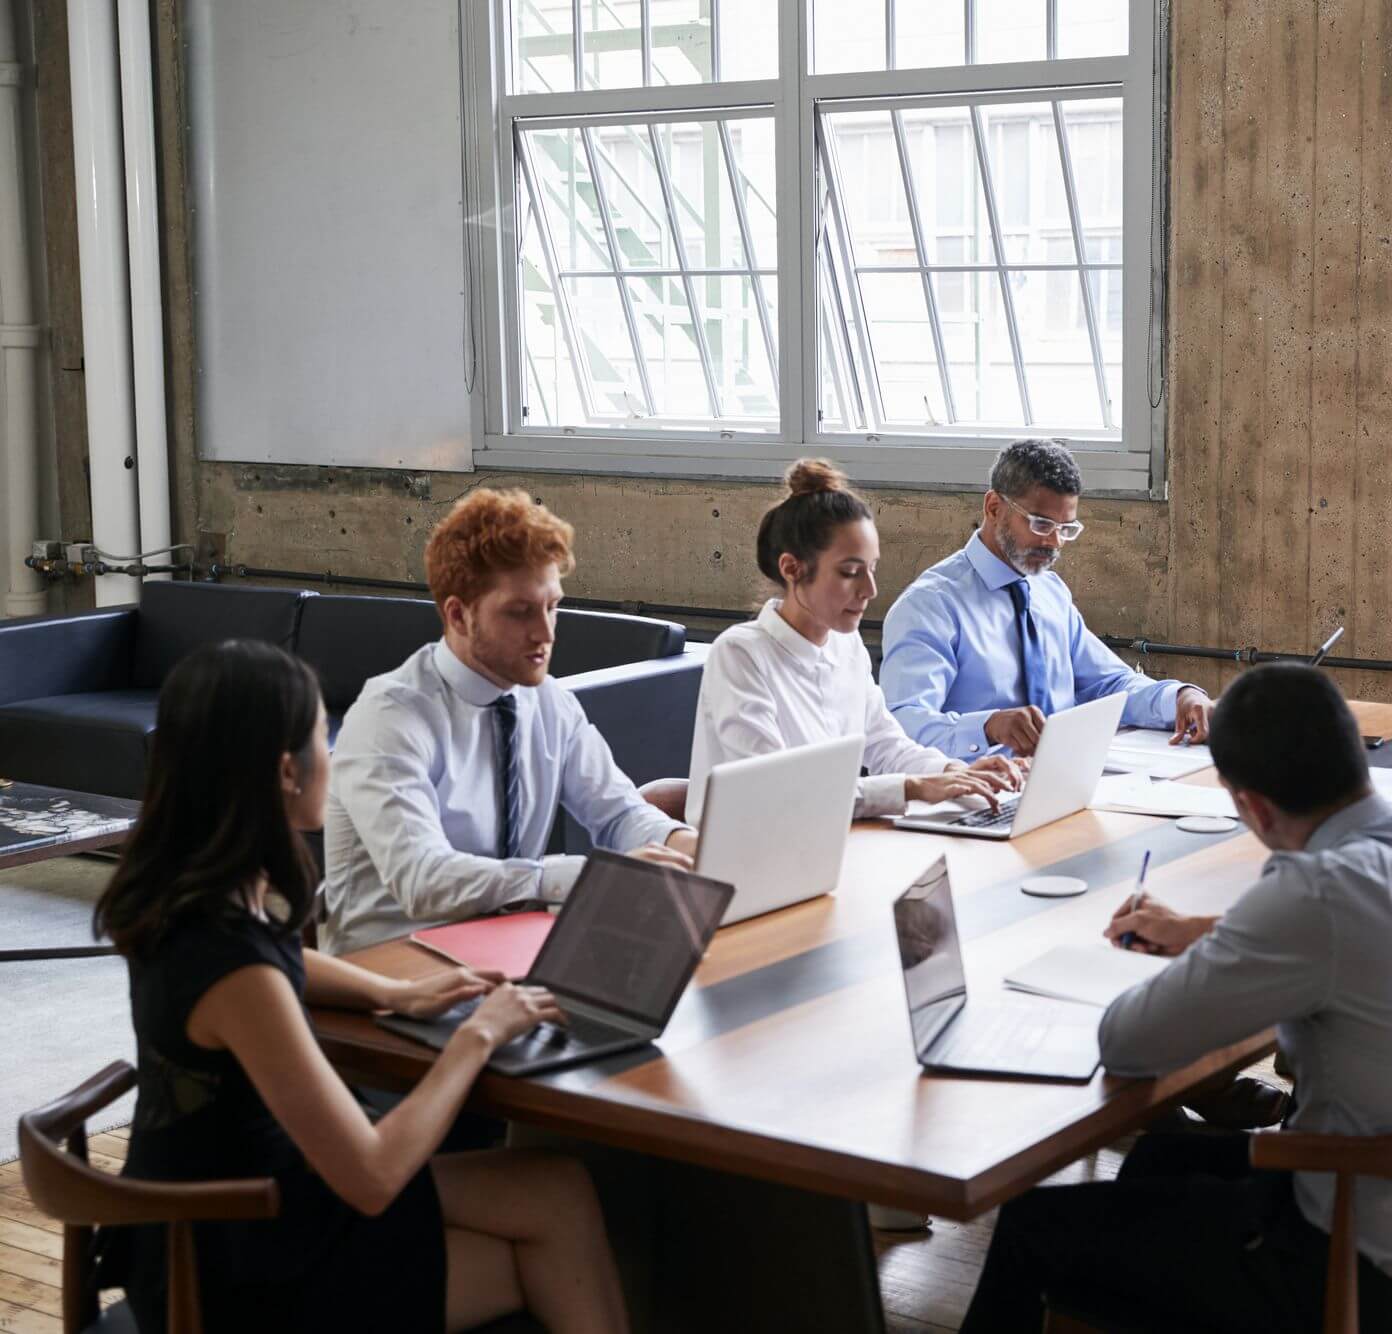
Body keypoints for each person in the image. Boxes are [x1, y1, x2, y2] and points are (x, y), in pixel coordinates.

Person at [959, 664, 1392, 1334]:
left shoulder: (1313, 893)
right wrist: (1211, 934)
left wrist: (1196, 950)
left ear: (1253, 808)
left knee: (1035, 1224)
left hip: (1363, 1276)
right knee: (1160, 1158)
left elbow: (1127, 1041)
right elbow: (1364, 941)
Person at [93, 639, 628, 1334]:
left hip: (233, 1211)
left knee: (557, 1189)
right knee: (545, 1251)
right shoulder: (235, 968)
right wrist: (478, 1034)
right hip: (242, 1267)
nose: (335, 760)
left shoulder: (184, 893)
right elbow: (372, 1175)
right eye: (325, 738)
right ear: (287, 771)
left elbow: (282, 963)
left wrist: (394, 994)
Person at [322, 489, 694, 955]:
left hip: (510, 951)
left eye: (552, 606)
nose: (546, 633)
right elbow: (422, 879)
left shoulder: (548, 701)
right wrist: (581, 878)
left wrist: (681, 845)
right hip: (389, 969)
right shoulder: (391, 716)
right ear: (458, 614)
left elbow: (618, 812)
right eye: (520, 612)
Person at [685, 459, 1022, 823]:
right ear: (791, 568)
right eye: (849, 572)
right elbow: (774, 787)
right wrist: (911, 788)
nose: (870, 590)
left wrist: (953, 771)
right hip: (749, 860)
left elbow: (886, 745)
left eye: (871, 568)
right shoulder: (740, 654)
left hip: (829, 840)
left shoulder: (846, 646)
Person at [880, 438, 1211, 759]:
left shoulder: (1048, 592)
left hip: (1060, 782)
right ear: (994, 508)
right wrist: (987, 727)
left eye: (1066, 529)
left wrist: (1179, 697)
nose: (1055, 543)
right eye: (1041, 524)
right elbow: (903, 726)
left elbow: (1109, 683)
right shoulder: (930, 606)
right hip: (977, 791)